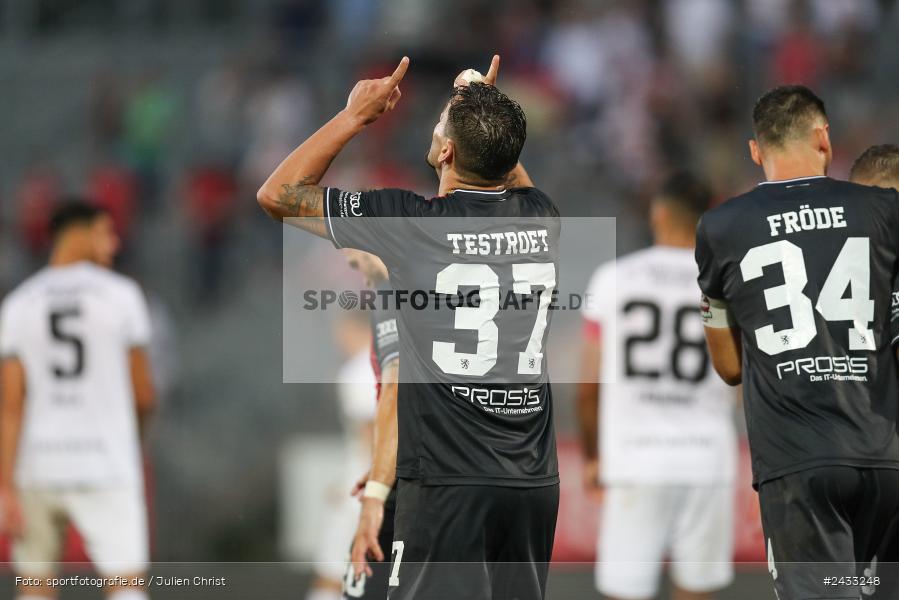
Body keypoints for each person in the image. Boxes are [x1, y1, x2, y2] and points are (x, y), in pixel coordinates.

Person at [257, 55, 561, 600]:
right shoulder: (543, 217)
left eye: (444, 125)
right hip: (531, 483)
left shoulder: (408, 223)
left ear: (445, 152)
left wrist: (355, 117)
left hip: (446, 481)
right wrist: (479, 107)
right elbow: (504, 167)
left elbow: (277, 195)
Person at [695, 86, 899, 599]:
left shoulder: (721, 227)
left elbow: (729, 367)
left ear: (755, 150)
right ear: (824, 137)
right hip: (883, 455)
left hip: (798, 462)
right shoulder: (882, 210)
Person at [578, 172, 737, 600]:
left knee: (625, 590)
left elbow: (589, 385)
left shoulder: (614, 279)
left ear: (659, 213)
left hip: (635, 455)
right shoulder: (728, 283)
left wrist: (594, 454)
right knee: (696, 589)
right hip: (706, 455)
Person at [0, 201, 156, 600]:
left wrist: (5, 486)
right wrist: (133, 438)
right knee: (125, 586)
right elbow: (144, 394)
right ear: (80, 232)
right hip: (106, 461)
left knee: (34, 588)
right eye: (107, 232)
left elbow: (10, 406)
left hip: (38, 462)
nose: (115, 243)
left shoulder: (18, 304)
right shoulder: (122, 296)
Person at [341, 249, 400, 600]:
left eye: (358, 254)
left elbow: (396, 395)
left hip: (401, 481)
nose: (355, 266)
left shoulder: (397, 305)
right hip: (402, 471)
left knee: (361, 585)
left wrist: (378, 482)